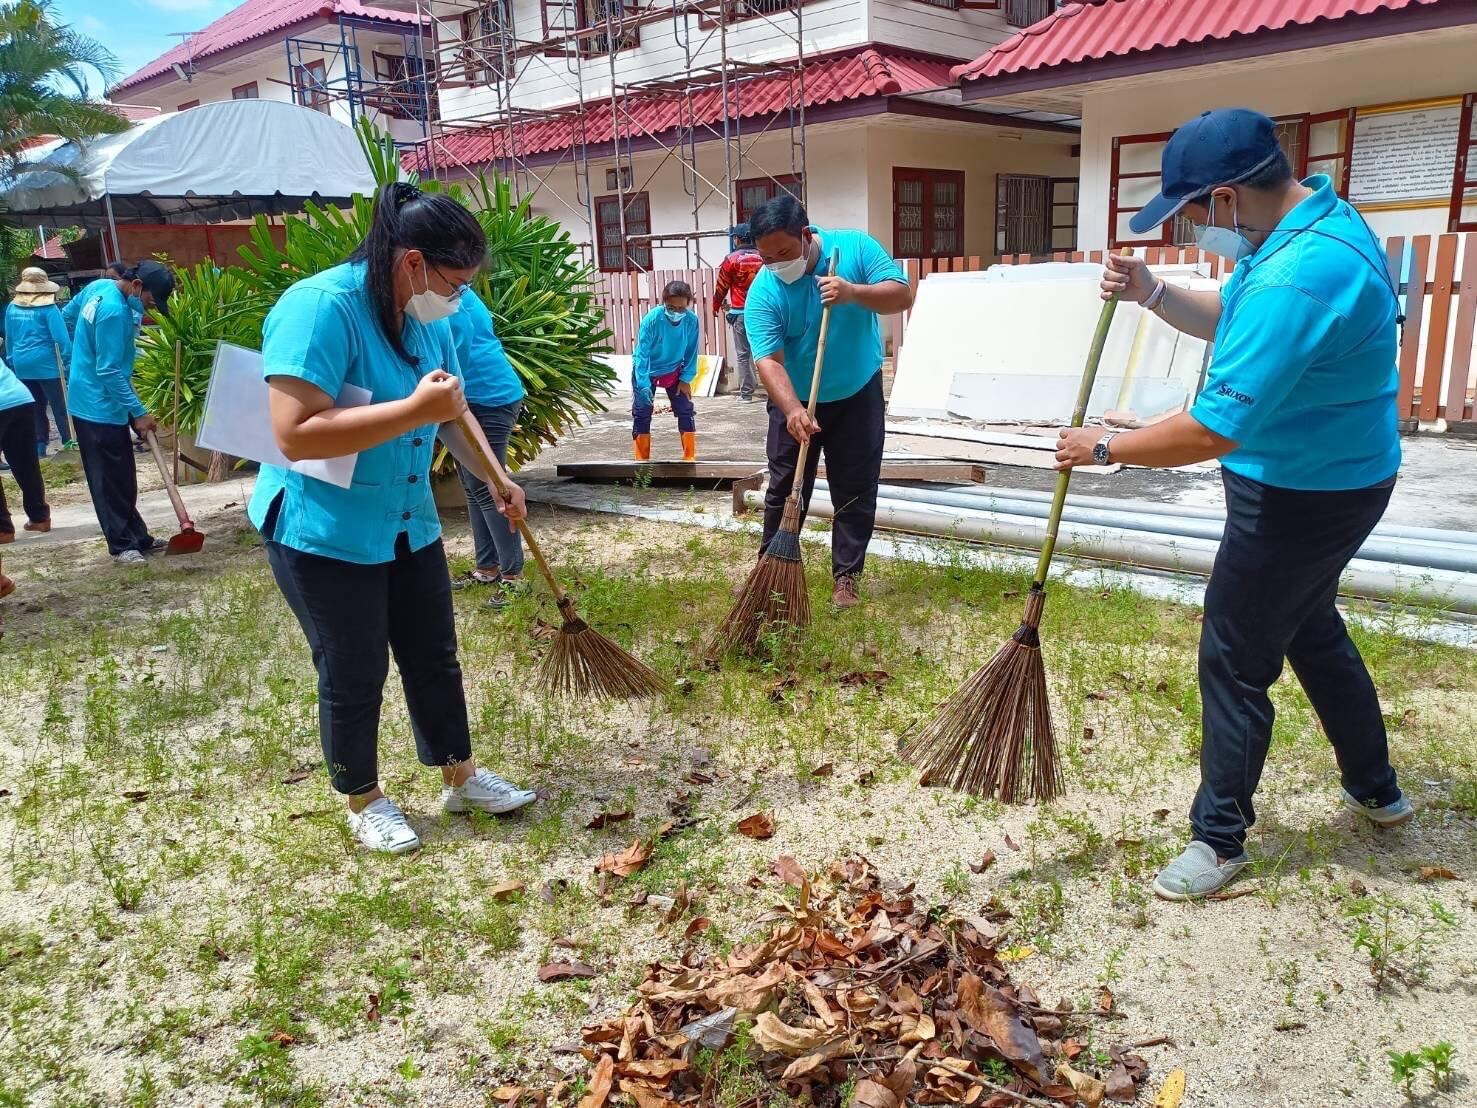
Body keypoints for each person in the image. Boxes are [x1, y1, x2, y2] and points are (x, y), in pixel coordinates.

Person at [1054, 108, 1411, 901]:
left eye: (1190, 211)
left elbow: (1214, 427)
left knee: (1234, 654)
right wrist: (1152, 292)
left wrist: (1105, 447)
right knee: (1310, 628)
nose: (1189, 227)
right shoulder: (1302, 225)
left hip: (1302, 492)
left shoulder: (1299, 272)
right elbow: (1233, 318)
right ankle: (1376, 788)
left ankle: (1218, 840)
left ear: (1224, 195)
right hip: (1333, 473)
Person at [250, 181, 537, 855]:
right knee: (352, 668)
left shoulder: (430, 314)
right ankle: (363, 798)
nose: (460, 295)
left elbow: (452, 407)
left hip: (405, 516)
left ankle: (459, 774)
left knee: (432, 652)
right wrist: (412, 412)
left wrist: (497, 477)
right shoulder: (319, 310)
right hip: (323, 527)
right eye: (455, 280)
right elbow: (293, 434)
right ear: (411, 261)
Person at [743, 195, 913, 610]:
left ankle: (846, 579)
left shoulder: (853, 248)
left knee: (854, 487)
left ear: (805, 235)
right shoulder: (764, 291)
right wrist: (793, 410)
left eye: (783, 253)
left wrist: (853, 292)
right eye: (766, 257)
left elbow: (901, 297)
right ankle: (771, 570)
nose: (776, 264)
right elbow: (768, 359)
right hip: (797, 399)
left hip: (857, 391)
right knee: (784, 486)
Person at [68, 261, 174, 564]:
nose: (148, 307)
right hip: (95, 402)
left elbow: (70, 313)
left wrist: (81, 352)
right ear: (137, 285)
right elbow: (109, 369)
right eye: (150, 300)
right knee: (107, 478)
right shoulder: (114, 312)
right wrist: (139, 413)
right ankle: (121, 544)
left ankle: (138, 536)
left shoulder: (100, 287)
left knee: (123, 474)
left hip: (105, 394)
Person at [449, 283, 527, 603]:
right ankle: (487, 567)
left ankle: (513, 574)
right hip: (472, 398)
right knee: (473, 483)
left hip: (489, 398)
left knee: (490, 485)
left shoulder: (452, 303)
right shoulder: (450, 292)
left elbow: (451, 359)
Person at [4, 268, 74, 455]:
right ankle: (69, 441)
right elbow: (62, 340)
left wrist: (12, 361)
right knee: (60, 405)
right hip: (47, 365)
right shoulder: (49, 309)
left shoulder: (12, 307)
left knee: (35, 406)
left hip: (21, 363)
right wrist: (68, 363)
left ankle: (39, 447)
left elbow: (9, 338)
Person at [632, 280, 699, 462]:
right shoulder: (651, 320)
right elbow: (642, 355)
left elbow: (692, 351)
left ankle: (689, 457)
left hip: (675, 369)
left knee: (685, 409)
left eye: (681, 309)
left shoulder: (692, 321)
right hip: (648, 370)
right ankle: (641, 460)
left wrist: (686, 379)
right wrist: (643, 385)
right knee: (642, 410)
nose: (676, 313)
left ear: (688, 305)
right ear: (663, 303)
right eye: (671, 307)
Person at [0, 353, 50, 543]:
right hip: (20, 397)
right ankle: (40, 517)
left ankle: (3, 529)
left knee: (24, 463)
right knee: (26, 463)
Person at [713, 224, 764, 401]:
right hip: (763, 311)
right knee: (767, 351)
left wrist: (715, 305)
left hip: (740, 312)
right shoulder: (763, 257)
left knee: (743, 354)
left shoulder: (731, 259)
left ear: (737, 239)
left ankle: (746, 394)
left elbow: (721, 286)